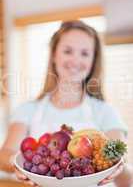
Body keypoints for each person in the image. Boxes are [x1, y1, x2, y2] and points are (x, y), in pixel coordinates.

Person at [0, 20, 132, 187]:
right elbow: (4, 155)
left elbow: (123, 168)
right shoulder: (28, 110)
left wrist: (119, 168)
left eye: (84, 53)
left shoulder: (105, 112)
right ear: (54, 55)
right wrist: (15, 163)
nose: (76, 60)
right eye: (68, 51)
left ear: (93, 61)